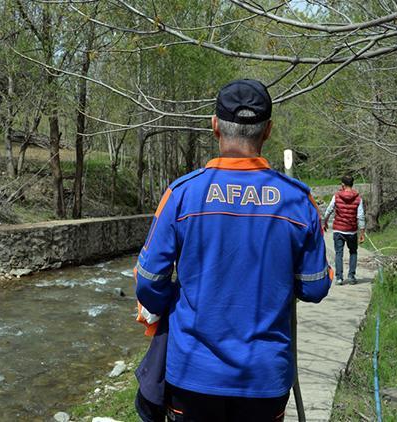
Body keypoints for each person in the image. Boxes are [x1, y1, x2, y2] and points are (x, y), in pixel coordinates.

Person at [133, 79, 331, 422]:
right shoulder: (298, 200)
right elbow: (315, 287)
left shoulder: (182, 195)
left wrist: (172, 302)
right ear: (268, 130)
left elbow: (149, 282)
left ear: (214, 126)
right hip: (264, 378)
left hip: (193, 374)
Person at [322, 175, 365, 285]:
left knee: (338, 254)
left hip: (338, 230)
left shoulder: (336, 196)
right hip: (352, 231)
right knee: (353, 252)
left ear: (343, 184)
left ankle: (339, 278)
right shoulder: (358, 198)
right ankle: (351, 276)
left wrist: (325, 221)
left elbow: (329, 209)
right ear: (352, 184)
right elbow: (360, 216)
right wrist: (362, 232)